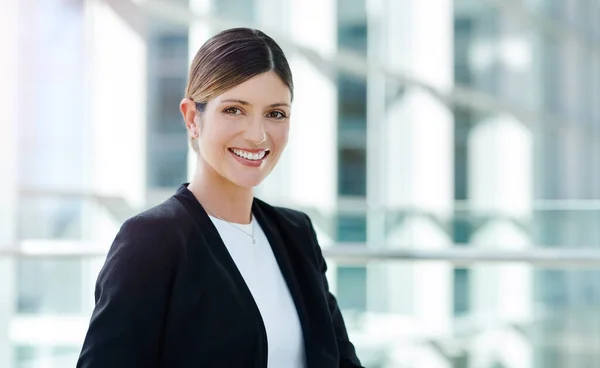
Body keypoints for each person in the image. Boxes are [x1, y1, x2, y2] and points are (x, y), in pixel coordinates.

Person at [76, 27, 363, 368]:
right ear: (192, 117)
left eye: (275, 114)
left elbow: (342, 359)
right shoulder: (152, 240)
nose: (257, 135)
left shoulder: (296, 233)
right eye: (234, 110)